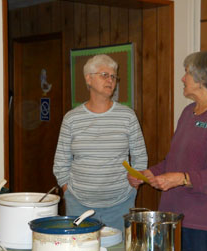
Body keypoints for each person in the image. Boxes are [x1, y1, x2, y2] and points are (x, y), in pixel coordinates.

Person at [128, 51, 207, 251]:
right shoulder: (188, 113)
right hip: (177, 221)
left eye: (187, 73)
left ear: (203, 78)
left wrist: (180, 179)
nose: (183, 78)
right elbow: (173, 161)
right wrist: (150, 173)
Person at [53, 54, 147, 233]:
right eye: (104, 75)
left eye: (113, 76)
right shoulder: (72, 118)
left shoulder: (127, 116)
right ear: (88, 78)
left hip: (120, 203)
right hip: (78, 203)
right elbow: (61, 161)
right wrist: (66, 189)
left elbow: (140, 156)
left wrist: (135, 182)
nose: (110, 80)